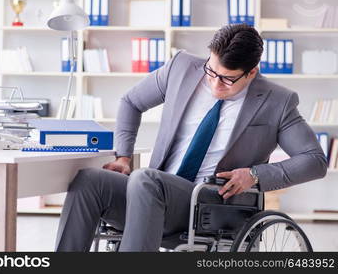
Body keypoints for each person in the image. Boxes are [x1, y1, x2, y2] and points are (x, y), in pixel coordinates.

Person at [55, 23, 327, 252]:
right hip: (150, 194)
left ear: (252, 72)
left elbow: (314, 161)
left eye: (228, 79)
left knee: (145, 178)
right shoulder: (181, 68)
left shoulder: (276, 101)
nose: (215, 84)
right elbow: (131, 102)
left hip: (211, 205)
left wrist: (254, 175)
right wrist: (124, 157)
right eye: (212, 71)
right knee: (89, 180)